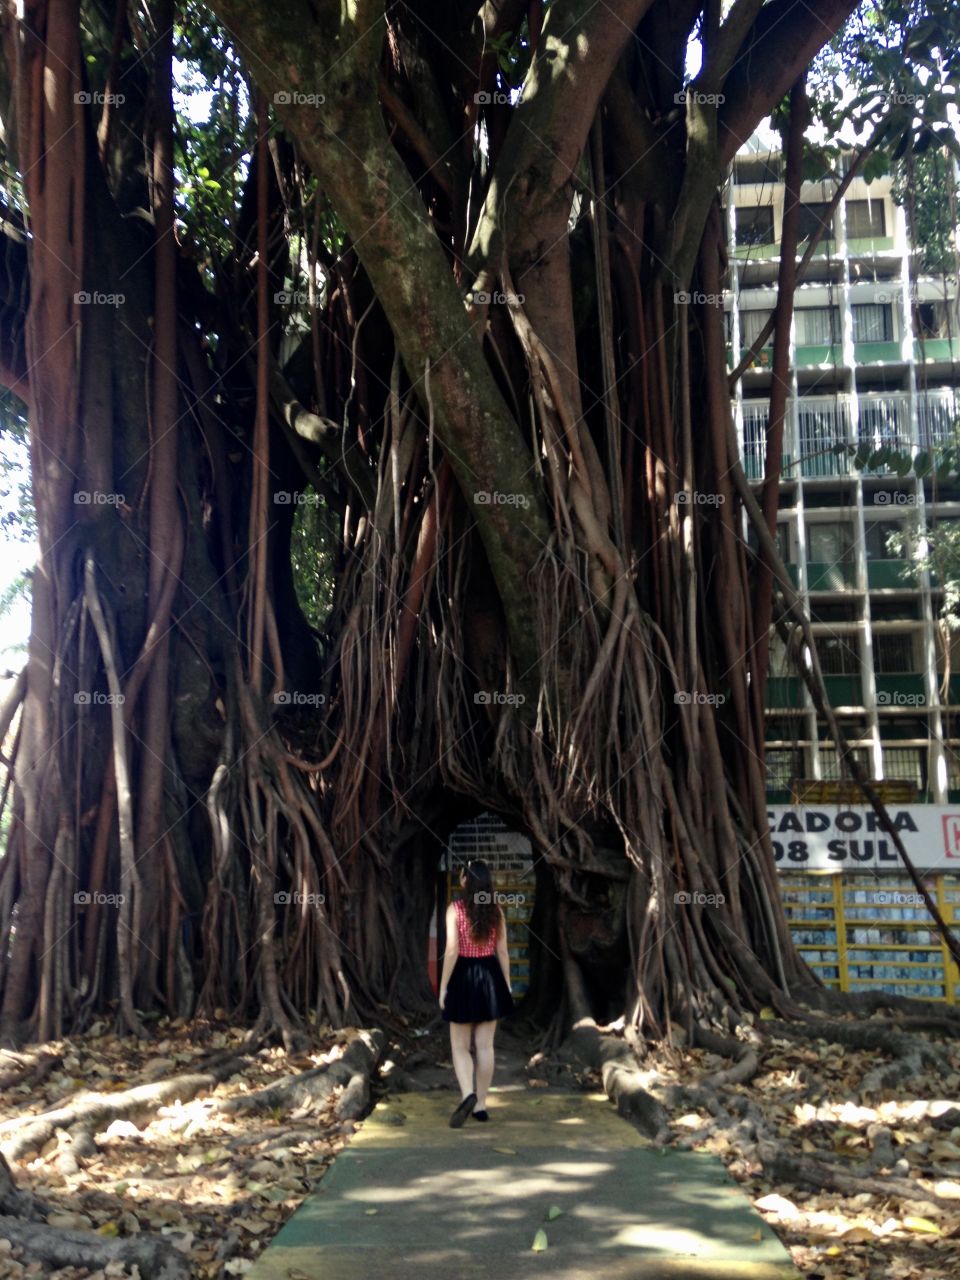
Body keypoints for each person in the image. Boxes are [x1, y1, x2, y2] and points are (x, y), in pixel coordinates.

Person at [438, 859, 513, 1127]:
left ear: (465, 881)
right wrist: (507, 983)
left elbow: (451, 951)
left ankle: (467, 1094)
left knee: (459, 1046)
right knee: (484, 1046)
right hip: (490, 976)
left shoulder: (455, 910)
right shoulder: (496, 911)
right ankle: (481, 1105)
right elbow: (502, 951)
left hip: (463, 977)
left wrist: (444, 986)